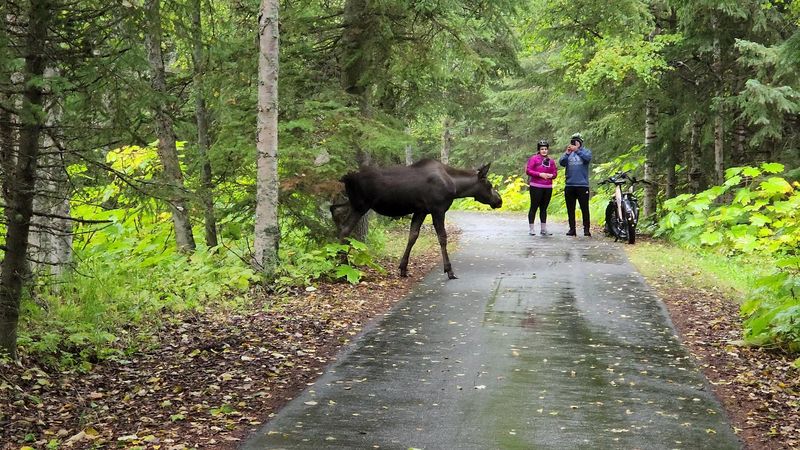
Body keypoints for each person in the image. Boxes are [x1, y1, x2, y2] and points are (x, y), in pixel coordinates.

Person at [559, 133, 593, 236]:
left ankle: (586, 229)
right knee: (570, 208)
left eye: (576, 141)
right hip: (570, 185)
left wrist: (577, 150)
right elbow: (562, 162)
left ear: (581, 142)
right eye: (573, 141)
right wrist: (567, 153)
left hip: (582, 185)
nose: (574, 143)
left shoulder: (585, 152)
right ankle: (572, 229)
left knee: (584, 208)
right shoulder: (569, 153)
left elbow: (587, 159)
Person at [525, 139, 557, 235]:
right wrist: (540, 174)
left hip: (547, 187)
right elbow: (528, 171)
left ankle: (543, 229)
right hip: (536, 186)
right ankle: (531, 228)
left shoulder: (551, 160)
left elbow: (555, 173)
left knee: (544, 208)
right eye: (542, 149)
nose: (544, 151)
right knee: (534, 207)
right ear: (539, 150)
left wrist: (551, 176)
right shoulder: (534, 159)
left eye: (545, 149)